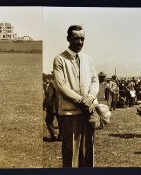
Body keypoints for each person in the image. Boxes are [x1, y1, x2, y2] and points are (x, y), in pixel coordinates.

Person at [53, 25, 99, 167]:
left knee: (88, 152)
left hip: (88, 112)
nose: (79, 42)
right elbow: (61, 86)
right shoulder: (60, 59)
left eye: (82, 39)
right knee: (71, 153)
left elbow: (94, 80)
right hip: (70, 113)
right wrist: (80, 100)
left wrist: (90, 98)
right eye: (76, 38)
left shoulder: (88, 58)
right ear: (68, 39)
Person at [43, 77, 61, 141]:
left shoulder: (52, 83)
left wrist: (45, 105)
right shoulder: (62, 83)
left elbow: (49, 96)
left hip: (52, 107)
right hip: (61, 106)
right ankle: (61, 136)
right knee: (61, 122)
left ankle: (53, 135)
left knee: (48, 121)